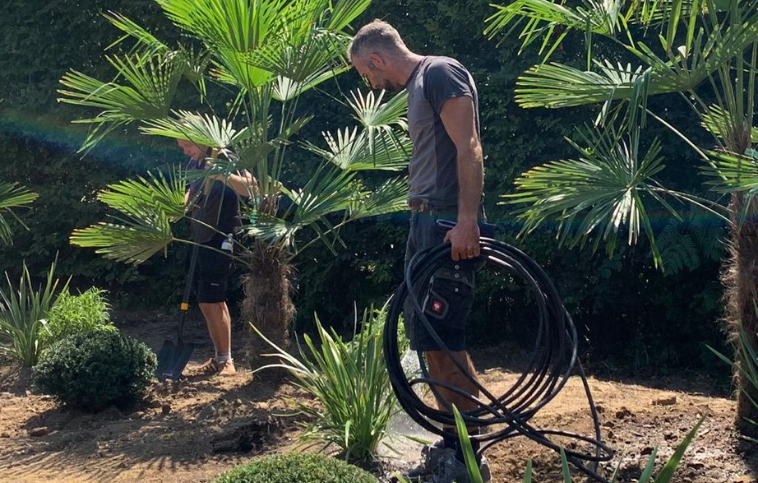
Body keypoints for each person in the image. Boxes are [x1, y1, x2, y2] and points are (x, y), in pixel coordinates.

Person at [348, 20, 491, 483]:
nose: (371, 84)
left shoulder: (440, 73)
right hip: (425, 222)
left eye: (366, 74)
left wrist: (467, 221)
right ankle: (453, 444)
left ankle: (469, 456)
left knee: (443, 336)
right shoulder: (418, 85)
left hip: (448, 224)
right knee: (428, 337)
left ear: (376, 59)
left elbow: (469, 146)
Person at [178, 138, 256, 377]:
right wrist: (182, 204)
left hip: (220, 236)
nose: (186, 151)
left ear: (200, 139)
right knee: (204, 300)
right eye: (182, 147)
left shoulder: (224, 157)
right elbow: (191, 191)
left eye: (188, 145)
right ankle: (218, 356)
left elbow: (251, 187)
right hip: (200, 237)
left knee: (214, 298)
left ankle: (227, 361)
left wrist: (222, 175)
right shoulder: (194, 163)